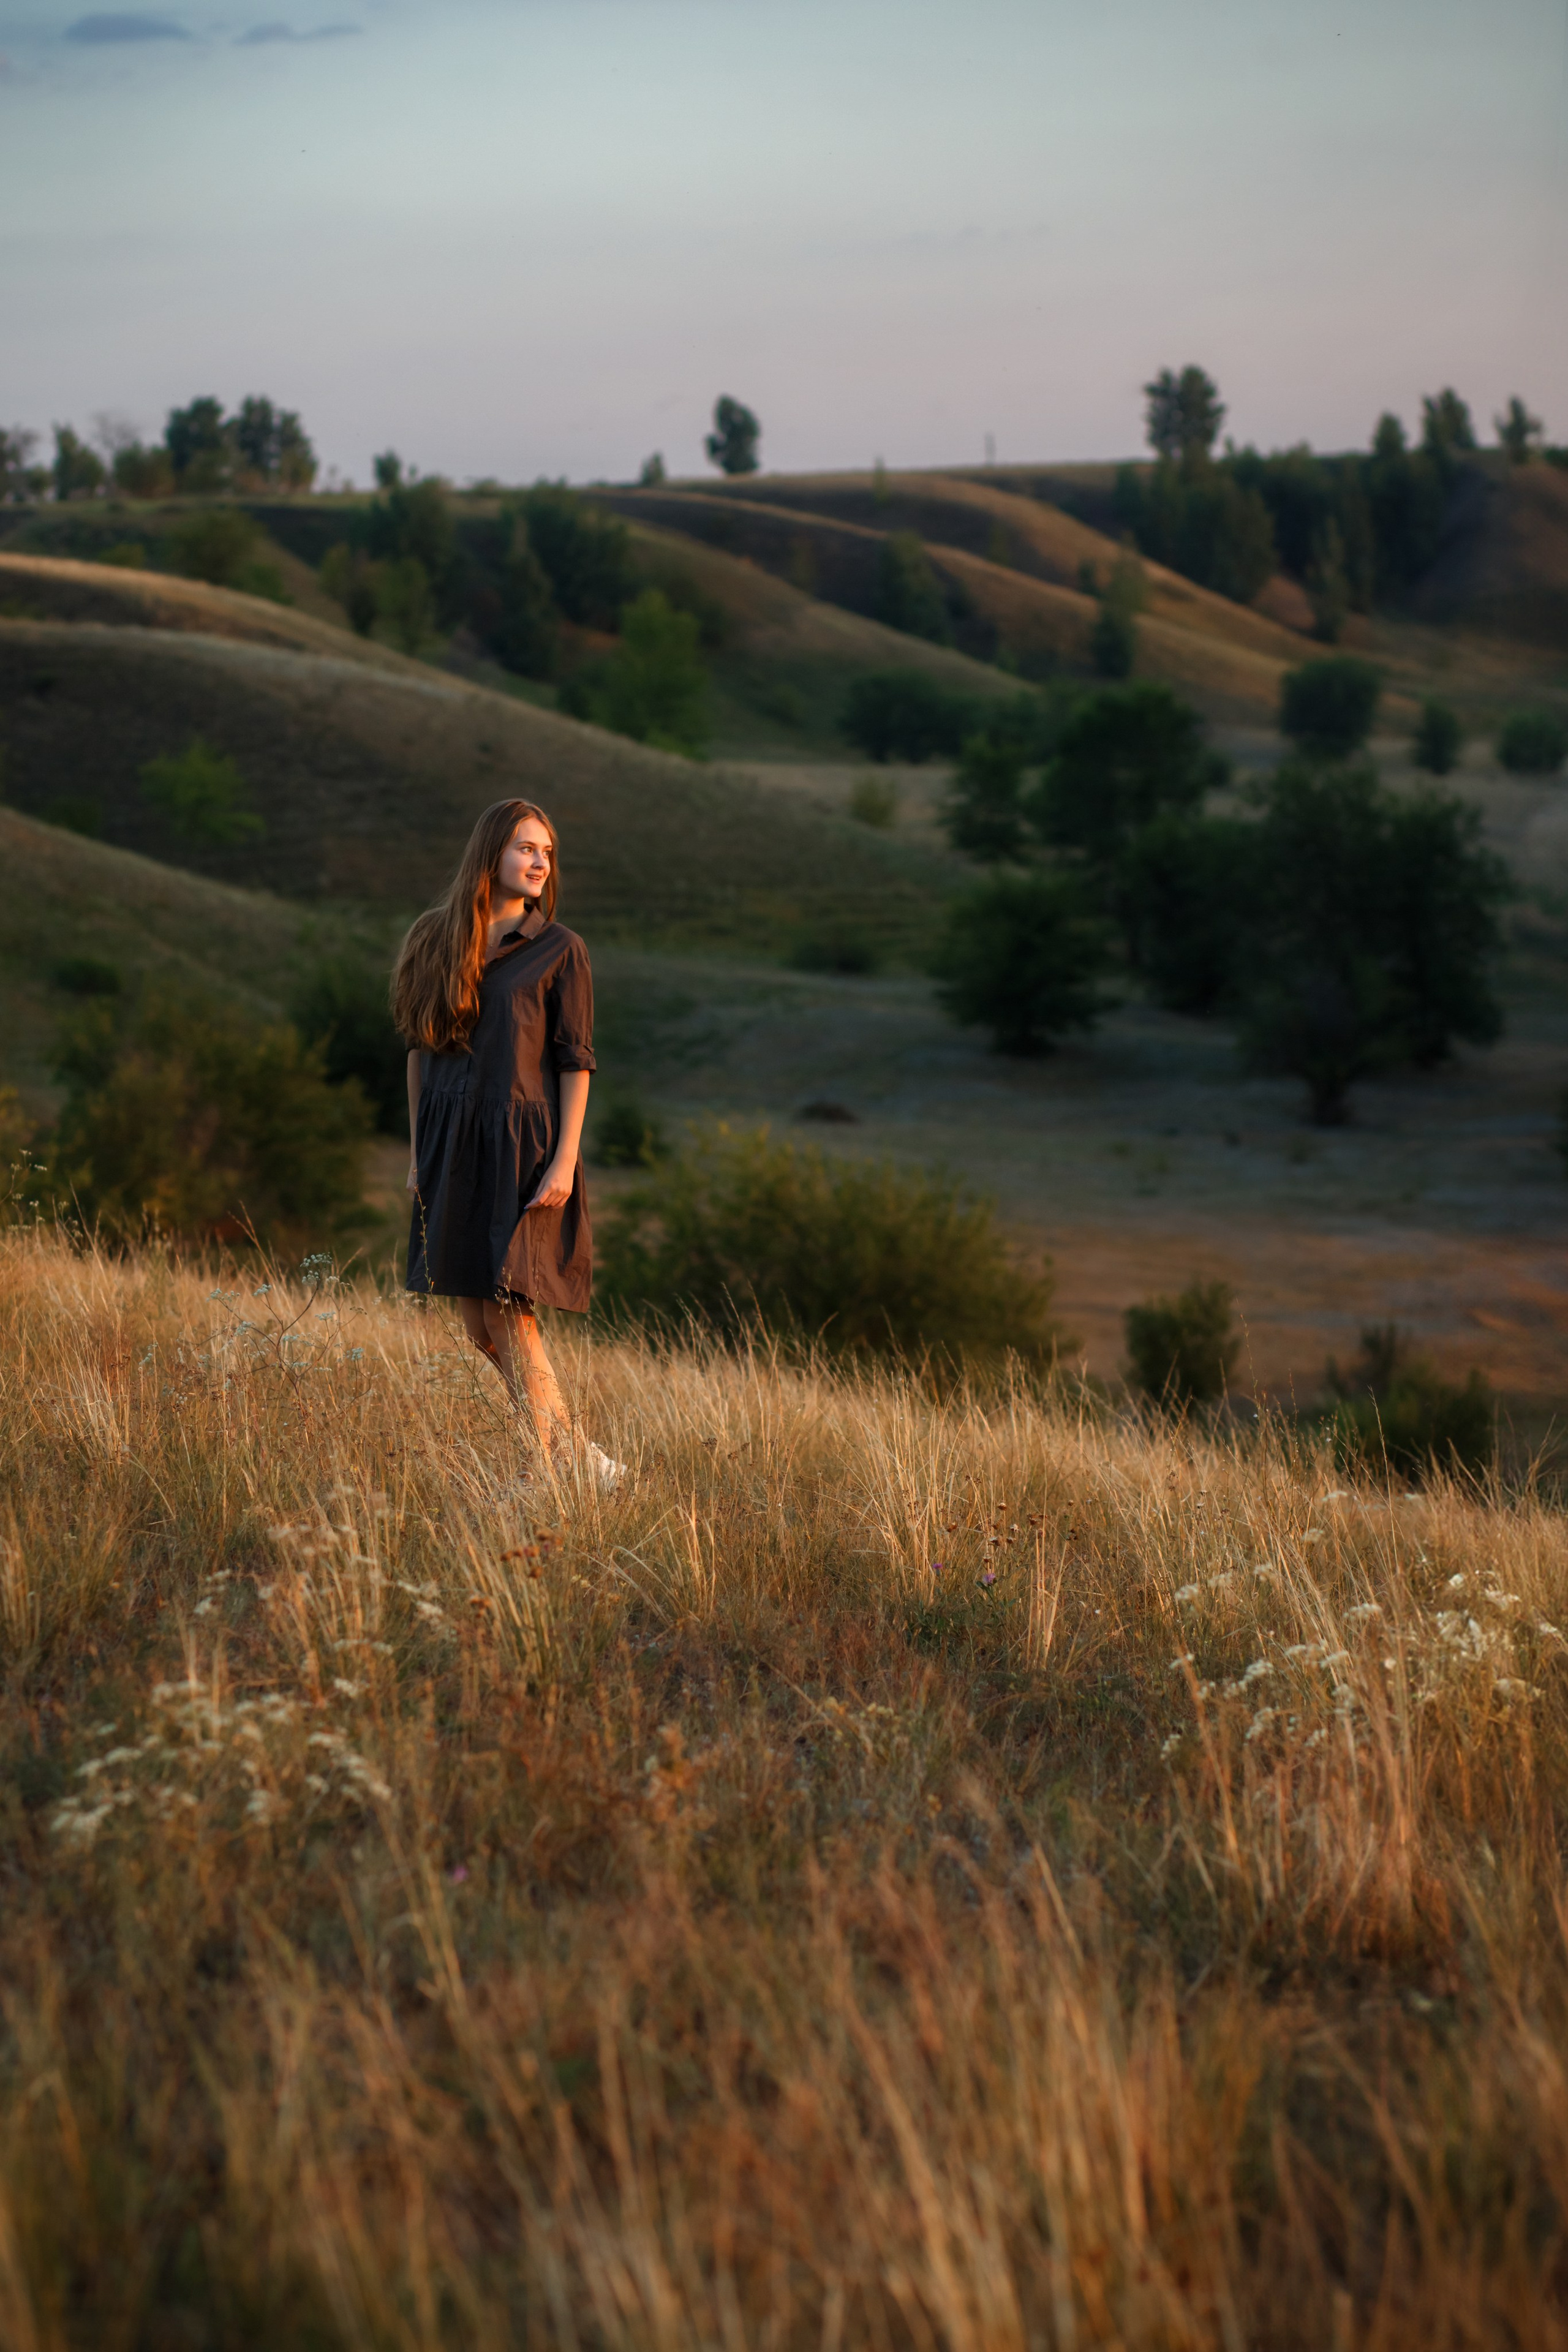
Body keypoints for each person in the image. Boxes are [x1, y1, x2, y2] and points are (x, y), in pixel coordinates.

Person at [391, 797, 619, 1480]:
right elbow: (417, 1054)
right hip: (450, 1144)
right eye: (527, 848)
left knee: (510, 1315)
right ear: (490, 853)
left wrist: (565, 1161)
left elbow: (576, 1061)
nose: (541, 863)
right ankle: (583, 1460)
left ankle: (549, 1475)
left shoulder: (560, 949)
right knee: (478, 1327)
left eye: (547, 852)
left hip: (523, 1148)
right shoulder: (433, 937)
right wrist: (415, 1155)